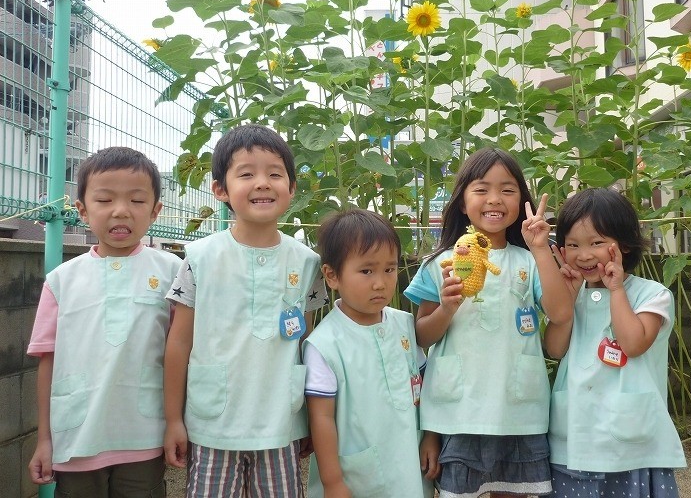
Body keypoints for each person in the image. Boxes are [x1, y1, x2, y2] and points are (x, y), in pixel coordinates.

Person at [404, 147, 573, 498]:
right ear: (463, 202)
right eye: (481, 189)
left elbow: (560, 313)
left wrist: (541, 247)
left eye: (507, 190)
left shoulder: (529, 261)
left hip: (520, 413)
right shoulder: (439, 264)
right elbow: (420, 336)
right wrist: (447, 309)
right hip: (457, 414)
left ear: (522, 202)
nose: (494, 199)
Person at [163, 124, 321, 497]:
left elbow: (308, 345)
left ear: (292, 189)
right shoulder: (200, 257)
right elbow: (178, 344)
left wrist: (311, 419)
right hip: (213, 423)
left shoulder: (308, 262)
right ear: (221, 190)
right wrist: (173, 419)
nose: (262, 183)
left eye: (275, 174)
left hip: (280, 422)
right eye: (246, 173)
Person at [27, 146, 181, 497]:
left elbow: (182, 352)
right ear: (81, 210)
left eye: (137, 201)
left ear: (156, 211)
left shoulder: (173, 272)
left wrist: (176, 421)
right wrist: (44, 439)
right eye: (105, 199)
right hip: (77, 437)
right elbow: (47, 361)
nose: (121, 211)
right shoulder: (61, 281)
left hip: (144, 434)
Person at [544, 188, 686, 497]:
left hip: (632, 444)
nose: (584, 255)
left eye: (596, 242)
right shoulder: (570, 297)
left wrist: (617, 289)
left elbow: (633, 343)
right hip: (574, 442)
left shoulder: (652, 294)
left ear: (624, 243)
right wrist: (567, 299)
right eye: (573, 245)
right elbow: (554, 349)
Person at [303, 208, 440, 498]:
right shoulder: (324, 344)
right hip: (356, 478)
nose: (381, 282)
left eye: (389, 269)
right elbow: (321, 419)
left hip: (408, 467)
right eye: (366, 271)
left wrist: (430, 435)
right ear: (332, 275)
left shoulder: (404, 324)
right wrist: (332, 482)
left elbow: (424, 384)